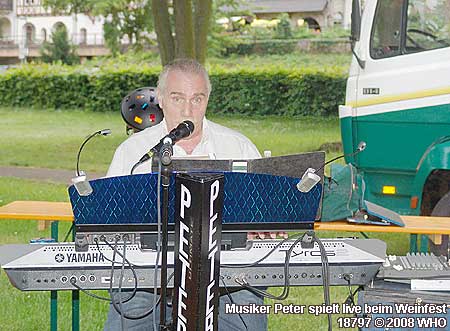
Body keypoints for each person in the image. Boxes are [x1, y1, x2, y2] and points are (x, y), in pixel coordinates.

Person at [104, 59, 267, 331]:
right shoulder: (134, 152)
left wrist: (264, 226)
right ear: (161, 100)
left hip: (231, 276)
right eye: (177, 98)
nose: (188, 109)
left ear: (207, 100)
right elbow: (107, 221)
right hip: (146, 277)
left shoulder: (239, 147)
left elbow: (269, 216)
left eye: (197, 99)